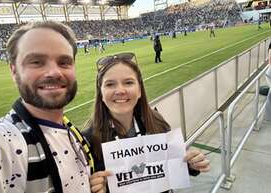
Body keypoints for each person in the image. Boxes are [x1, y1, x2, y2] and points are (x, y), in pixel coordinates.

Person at [0, 21, 99, 193]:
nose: (54, 72)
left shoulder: (72, 133)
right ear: (14, 71)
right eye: (37, 62)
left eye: (64, 62)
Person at [83, 52, 211, 193]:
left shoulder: (156, 122)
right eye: (110, 84)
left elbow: (170, 169)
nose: (120, 90)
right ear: (101, 93)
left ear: (139, 91)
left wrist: (191, 164)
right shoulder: (87, 141)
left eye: (128, 82)